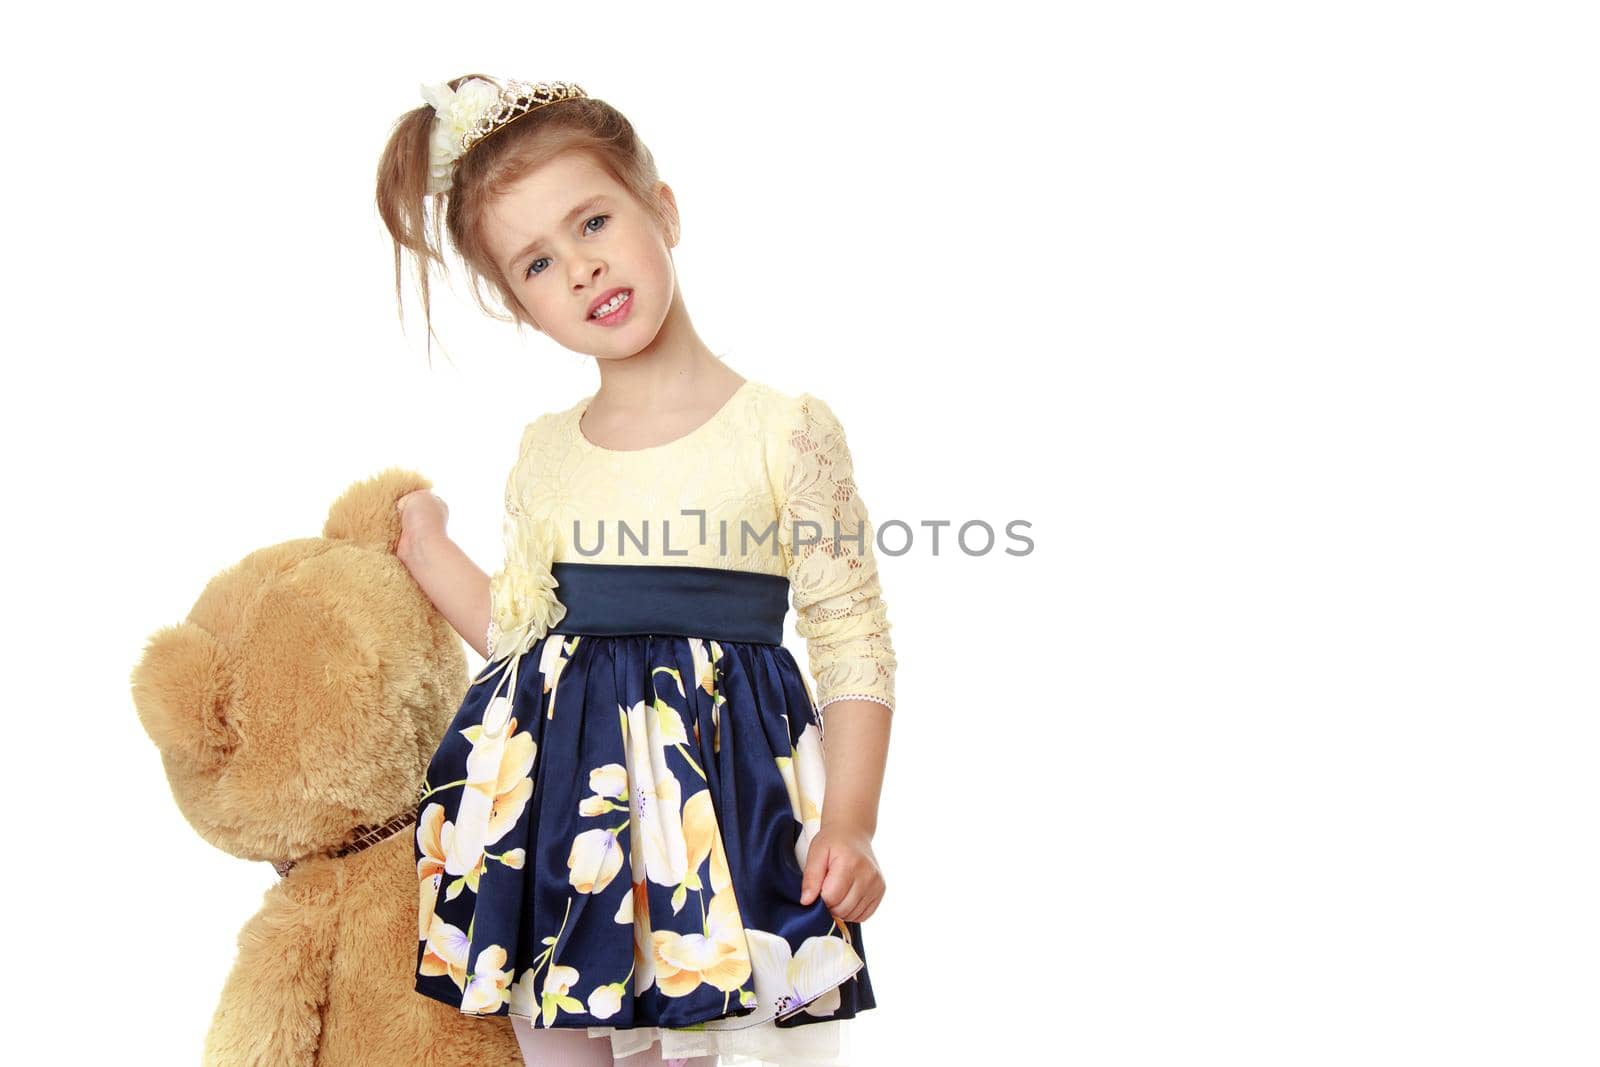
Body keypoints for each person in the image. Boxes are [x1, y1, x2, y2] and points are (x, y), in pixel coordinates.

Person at [376, 76, 897, 1067]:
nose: (579, 268)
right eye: (537, 261)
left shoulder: (780, 430)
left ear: (660, 206)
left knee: (708, 1045)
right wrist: (426, 546)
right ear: (518, 302)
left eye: (593, 220)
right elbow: (523, 640)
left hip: (716, 816)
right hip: (557, 825)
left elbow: (850, 635)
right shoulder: (545, 450)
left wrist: (851, 820)